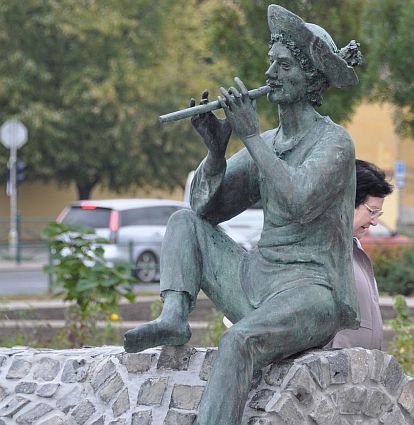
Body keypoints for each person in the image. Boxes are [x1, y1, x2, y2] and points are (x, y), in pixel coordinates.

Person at [123, 5, 362, 425]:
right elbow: (206, 210)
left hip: (312, 290)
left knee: (238, 341)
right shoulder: (268, 142)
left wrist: (250, 136)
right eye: (271, 63)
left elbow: (299, 201)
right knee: (184, 222)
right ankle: (174, 316)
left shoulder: (334, 143)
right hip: (258, 279)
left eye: (284, 65)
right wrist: (215, 155)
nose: (270, 74)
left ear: (311, 80)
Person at [326, 159, 393, 350]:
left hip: (361, 366)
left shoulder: (354, 248)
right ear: (348, 201)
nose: (374, 222)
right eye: (372, 211)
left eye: (378, 214)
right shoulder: (324, 250)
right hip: (335, 366)